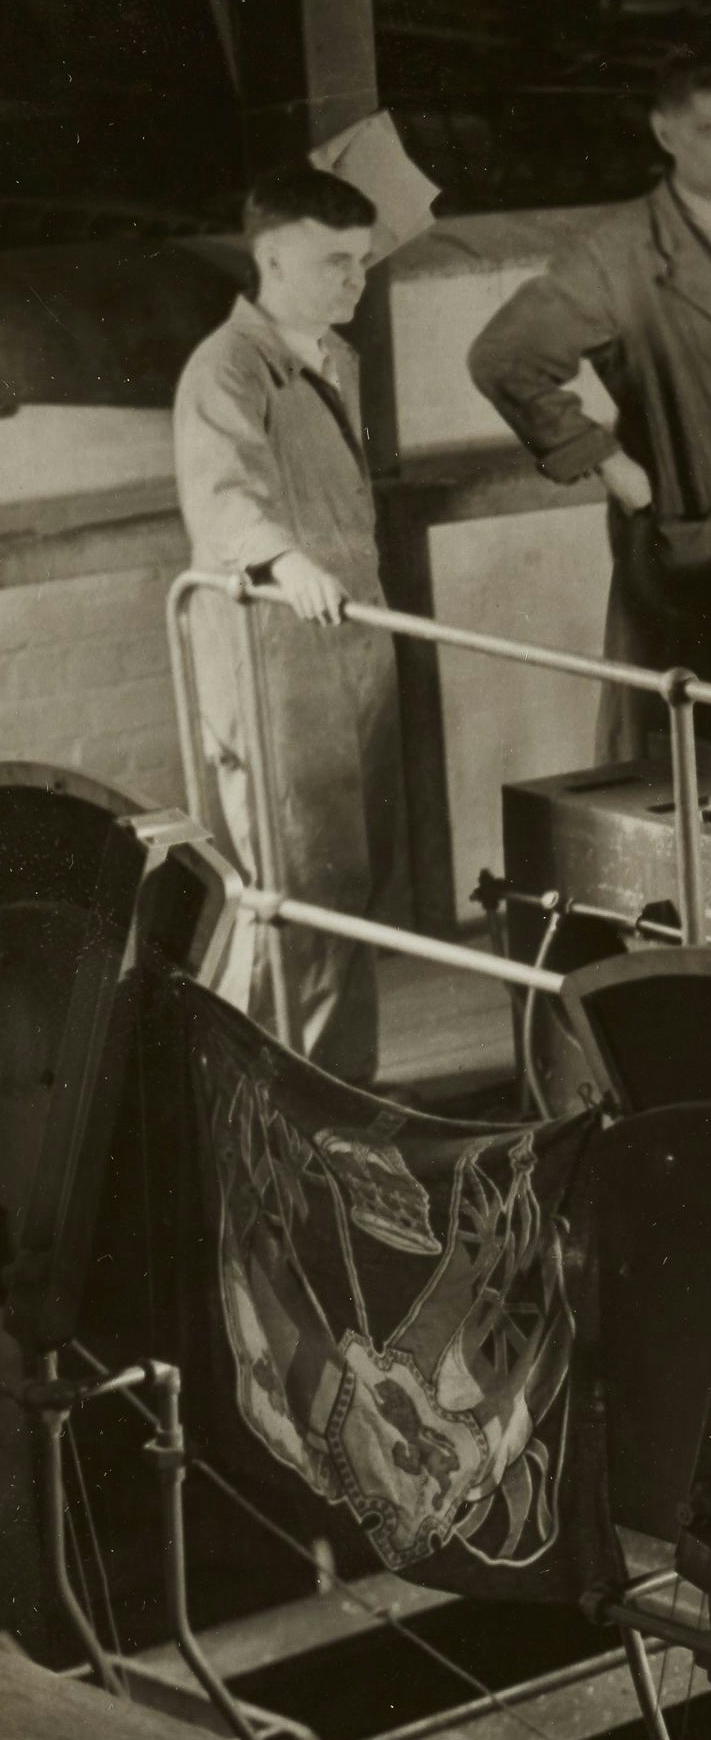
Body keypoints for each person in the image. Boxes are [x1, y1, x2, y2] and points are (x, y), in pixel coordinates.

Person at [467, 50, 711, 760]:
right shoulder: (620, 252)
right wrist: (606, 460)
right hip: (688, 559)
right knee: (681, 760)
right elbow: (503, 355)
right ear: (665, 134)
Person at [172, 161, 403, 1083]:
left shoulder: (328, 357)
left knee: (348, 884)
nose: (355, 281)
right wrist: (285, 558)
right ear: (269, 256)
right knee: (304, 892)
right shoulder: (227, 367)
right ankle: (304, 1102)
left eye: (362, 262)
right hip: (275, 664)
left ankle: (329, 1093)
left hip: (345, 651)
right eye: (334, 262)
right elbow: (223, 494)